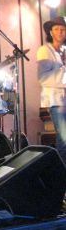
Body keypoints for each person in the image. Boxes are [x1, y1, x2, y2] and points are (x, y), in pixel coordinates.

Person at [37, 16, 66, 163]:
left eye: (63, 29)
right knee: (64, 140)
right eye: (57, 29)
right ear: (51, 32)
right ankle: (61, 173)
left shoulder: (64, 50)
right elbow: (43, 77)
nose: (60, 32)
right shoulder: (44, 51)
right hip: (57, 101)